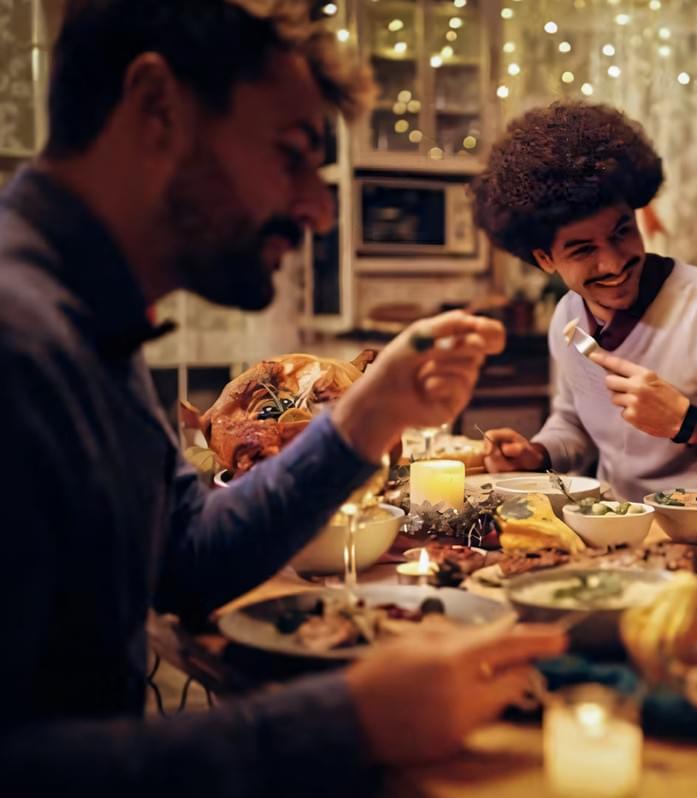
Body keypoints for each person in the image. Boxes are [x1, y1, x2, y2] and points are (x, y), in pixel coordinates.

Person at [0, 2, 563, 794]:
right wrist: (347, 722)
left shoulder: (90, 325)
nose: (318, 207)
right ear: (156, 106)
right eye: (293, 155)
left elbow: (187, 560)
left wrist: (367, 418)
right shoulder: (19, 344)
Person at [471, 101, 697, 502]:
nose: (614, 262)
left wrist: (691, 422)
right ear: (545, 260)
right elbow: (575, 423)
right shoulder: (567, 317)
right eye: (583, 250)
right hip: (612, 531)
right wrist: (538, 453)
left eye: (621, 232)